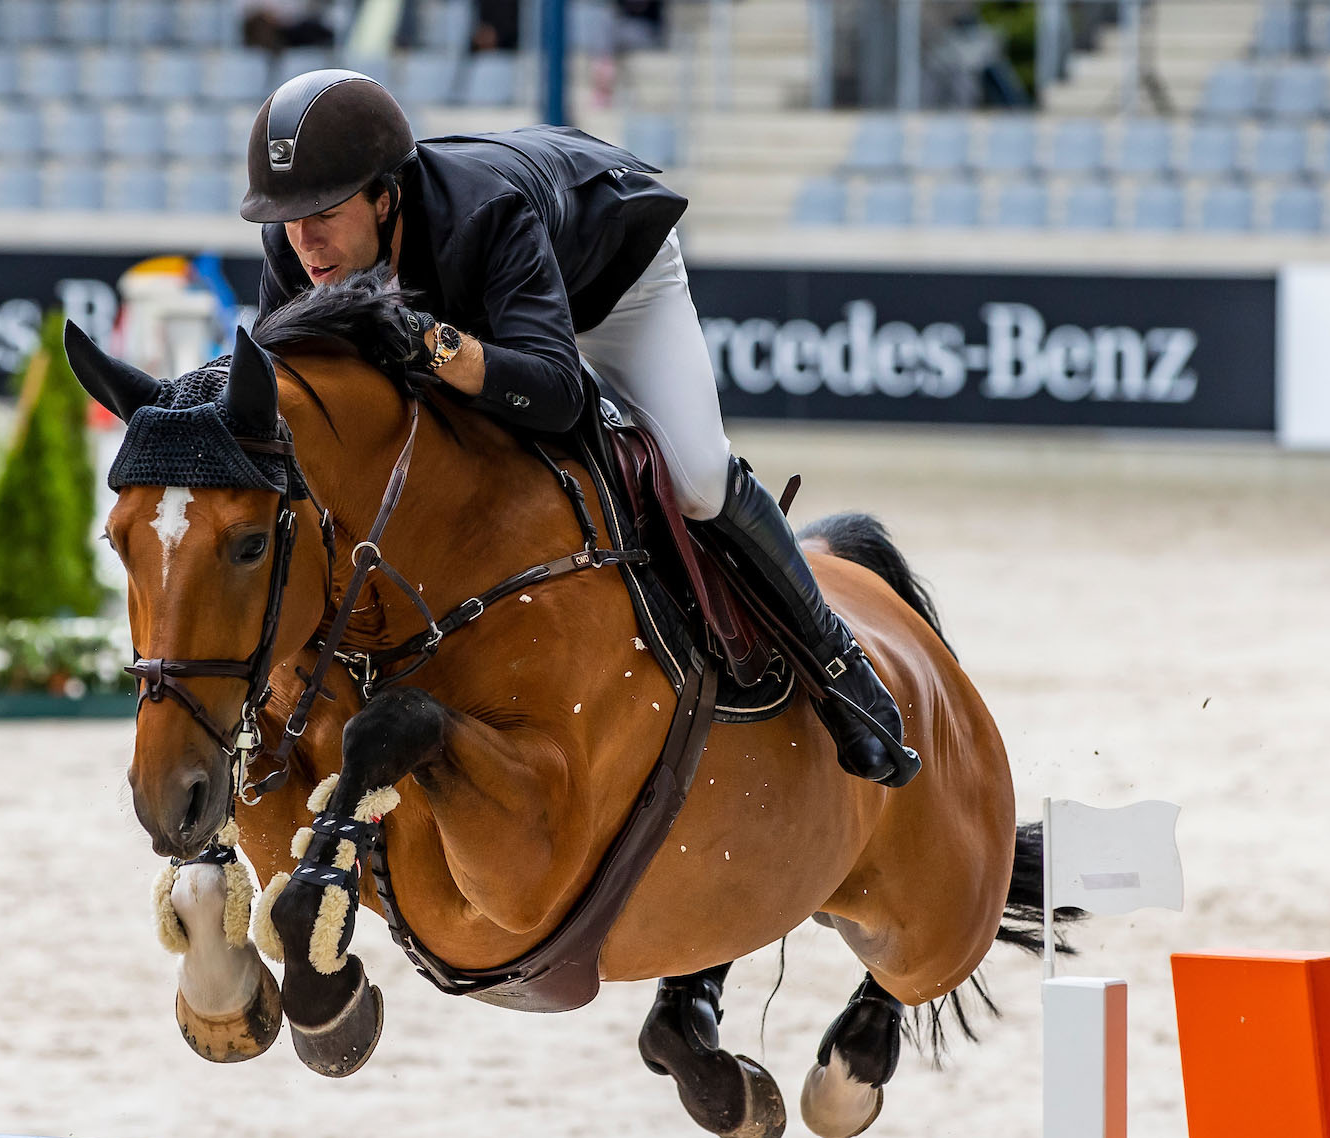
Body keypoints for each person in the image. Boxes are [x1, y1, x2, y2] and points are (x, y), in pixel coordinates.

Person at [245, 71, 919, 786]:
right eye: (289, 216)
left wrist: (436, 345)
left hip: (610, 281)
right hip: (490, 307)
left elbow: (561, 394)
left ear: (386, 197)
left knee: (695, 478)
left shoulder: (487, 214)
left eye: (323, 213)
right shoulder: (293, 245)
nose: (305, 239)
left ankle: (841, 666)